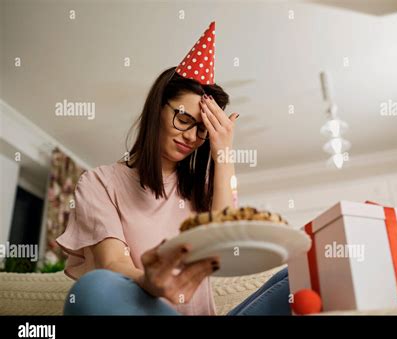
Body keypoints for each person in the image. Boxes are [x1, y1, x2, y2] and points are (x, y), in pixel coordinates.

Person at [56, 22, 291, 316]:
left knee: (297, 278)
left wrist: (224, 154)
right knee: (93, 289)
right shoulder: (99, 182)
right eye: (184, 119)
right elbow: (113, 264)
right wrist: (148, 281)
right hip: (149, 311)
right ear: (158, 107)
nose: (192, 137)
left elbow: (226, 240)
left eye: (203, 129)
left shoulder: (199, 188)